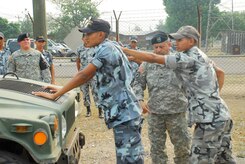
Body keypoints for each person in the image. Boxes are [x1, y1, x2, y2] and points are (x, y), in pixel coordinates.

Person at [33, 19, 144, 164]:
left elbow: (84, 74)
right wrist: (62, 88)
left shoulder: (106, 49)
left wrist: (56, 95)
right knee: (128, 157)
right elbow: (90, 76)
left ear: (100, 34)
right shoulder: (110, 46)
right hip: (124, 111)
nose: (85, 38)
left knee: (129, 159)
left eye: (88, 34)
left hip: (125, 113)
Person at [122, 25, 236, 164]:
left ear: (191, 41)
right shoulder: (199, 55)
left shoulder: (187, 58)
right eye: (175, 39)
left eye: (180, 39)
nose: (176, 42)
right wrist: (212, 96)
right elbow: (220, 72)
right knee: (223, 159)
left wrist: (123, 50)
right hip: (218, 114)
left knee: (197, 159)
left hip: (207, 118)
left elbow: (152, 57)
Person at [132, 32, 191, 164]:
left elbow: (192, 82)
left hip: (177, 112)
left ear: (169, 44)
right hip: (155, 113)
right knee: (157, 149)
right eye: (156, 47)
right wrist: (140, 100)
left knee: (183, 148)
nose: (158, 50)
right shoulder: (147, 64)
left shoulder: (179, 61)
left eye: (161, 46)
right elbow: (137, 83)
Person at [76, 34, 103, 118]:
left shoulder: (95, 48)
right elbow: (78, 61)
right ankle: (88, 110)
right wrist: (80, 72)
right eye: (85, 38)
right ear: (82, 39)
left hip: (93, 74)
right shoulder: (79, 49)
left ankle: (100, 111)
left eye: (88, 37)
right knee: (85, 92)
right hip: (83, 74)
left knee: (96, 92)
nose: (87, 39)